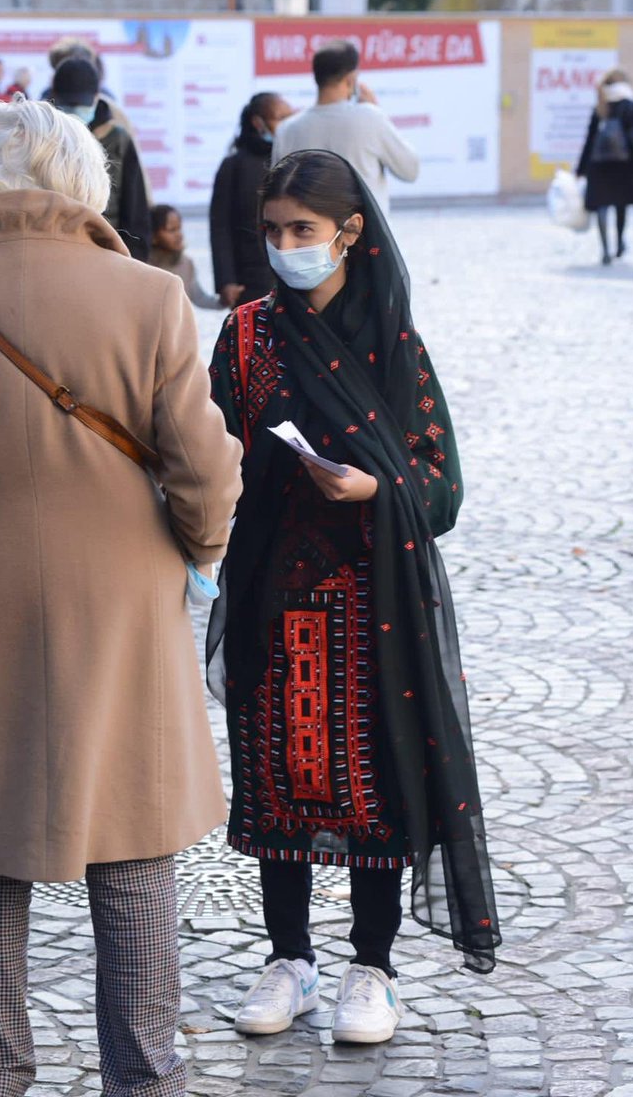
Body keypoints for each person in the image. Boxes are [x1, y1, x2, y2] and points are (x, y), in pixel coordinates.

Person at [0, 95, 243, 1096]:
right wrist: (194, 549)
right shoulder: (151, 298)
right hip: (125, 606)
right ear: (85, 183)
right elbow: (206, 473)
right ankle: (144, 1075)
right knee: (132, 843)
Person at [207, 150, 499, 1045]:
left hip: (372, 606)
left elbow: (441, 486)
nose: (287, 247)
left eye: (303, 231)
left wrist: (375, 491)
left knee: (376, 787)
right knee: (275, 780)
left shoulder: (393, 341)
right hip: (271, 595)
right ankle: (288, 959)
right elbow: (209, 450)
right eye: (273, 232)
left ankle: (371, 966)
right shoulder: (248, 335)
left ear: (349, 233)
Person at [271, 40, 419, 216]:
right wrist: (376, 110)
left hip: (310, 237)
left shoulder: (287, 129)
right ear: (351, 79)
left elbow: (277, 191)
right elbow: (410, 170)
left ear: (316, 77)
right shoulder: (370, 117)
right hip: (365, 235)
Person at [53, 57, 152, 261]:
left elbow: (135, 210)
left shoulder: (118, 139)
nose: (74, 112)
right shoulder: (43, 137)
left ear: (97, 98)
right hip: (57, 253)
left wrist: (134, 262)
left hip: (109, 254)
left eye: (81, 105)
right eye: (68, 105)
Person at [210, 91, 294, 309]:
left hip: (294, 275)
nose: (288, 124)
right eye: (281, 119)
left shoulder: (295, 160)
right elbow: (220, 228)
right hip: (251, 281)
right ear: (258, 122)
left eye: (291, 117)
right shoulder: (233, 166)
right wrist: (226, 280)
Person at [576, 68, 633, 265]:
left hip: (599, 165)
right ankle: (619, 243)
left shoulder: (601, 106)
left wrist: (580, 169)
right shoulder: (631, 105)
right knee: (620, 205)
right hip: (622, 164)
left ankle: (605, 249)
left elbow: (589, 140)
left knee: (602, 205)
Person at [150, 203, 221, 309]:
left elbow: (199, 297)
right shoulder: (144, 265)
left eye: (179, 228)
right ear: (153, 236)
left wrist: (223, 301)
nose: (179, 235)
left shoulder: (186, 263)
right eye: (172, 230)